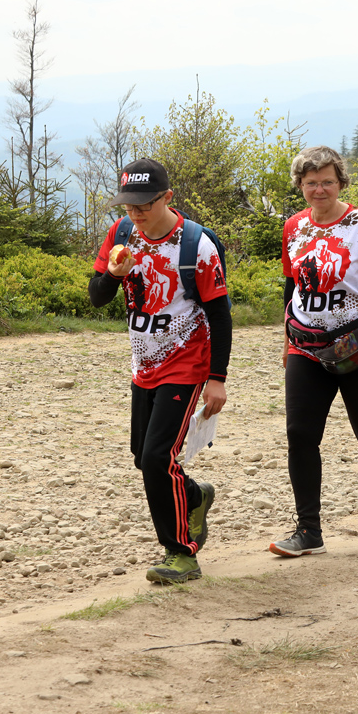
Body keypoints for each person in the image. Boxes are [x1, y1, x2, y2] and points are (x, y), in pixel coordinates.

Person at [88, 158, 231, 584]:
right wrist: (114, 275)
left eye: (144, 205)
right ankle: (194, 495)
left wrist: (217, 379)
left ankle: (181, 554)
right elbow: (96, 297)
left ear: (167, 197)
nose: (135, 213)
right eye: (128, 205)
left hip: (187, 363)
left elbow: (220, 316)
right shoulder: (121, 233)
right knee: (144, 457)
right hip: (144, 362)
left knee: (156, 458)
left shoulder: (196, 246)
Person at [271, 145, 358, 557]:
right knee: (300, 434)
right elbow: (292, 286)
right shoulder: (294, 227)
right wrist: (286, 341)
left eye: (327, 181)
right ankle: (308, 530)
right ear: (300, 185)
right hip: (306, 346)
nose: (319, 189)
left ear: (340, 182)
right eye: (311, 182)